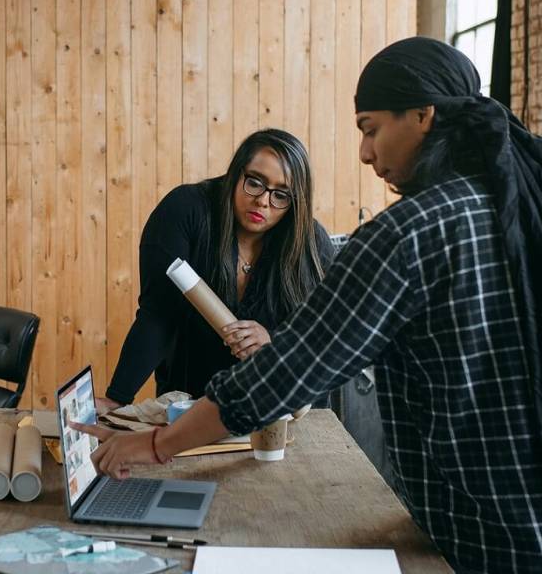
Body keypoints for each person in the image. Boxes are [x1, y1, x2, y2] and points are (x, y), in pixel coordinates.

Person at [72, 37, 542, 574]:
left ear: (423, 116)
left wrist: (157, 445)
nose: (365, 153)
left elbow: (285, 373)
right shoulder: (522, 205)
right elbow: (157, 315)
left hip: (483, 535)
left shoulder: (406, 235)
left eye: (370, 128)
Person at [97, 129, 335, 413]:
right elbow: (158, 314)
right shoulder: (185, 211)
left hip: (281, 411)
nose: (263, 201)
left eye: (280, 195)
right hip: (192, 405)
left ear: (294, 202)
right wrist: (117, 397)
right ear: (236, 172)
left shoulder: (310, 243)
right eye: (255, 182)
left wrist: (275, 342)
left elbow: (326, 336)